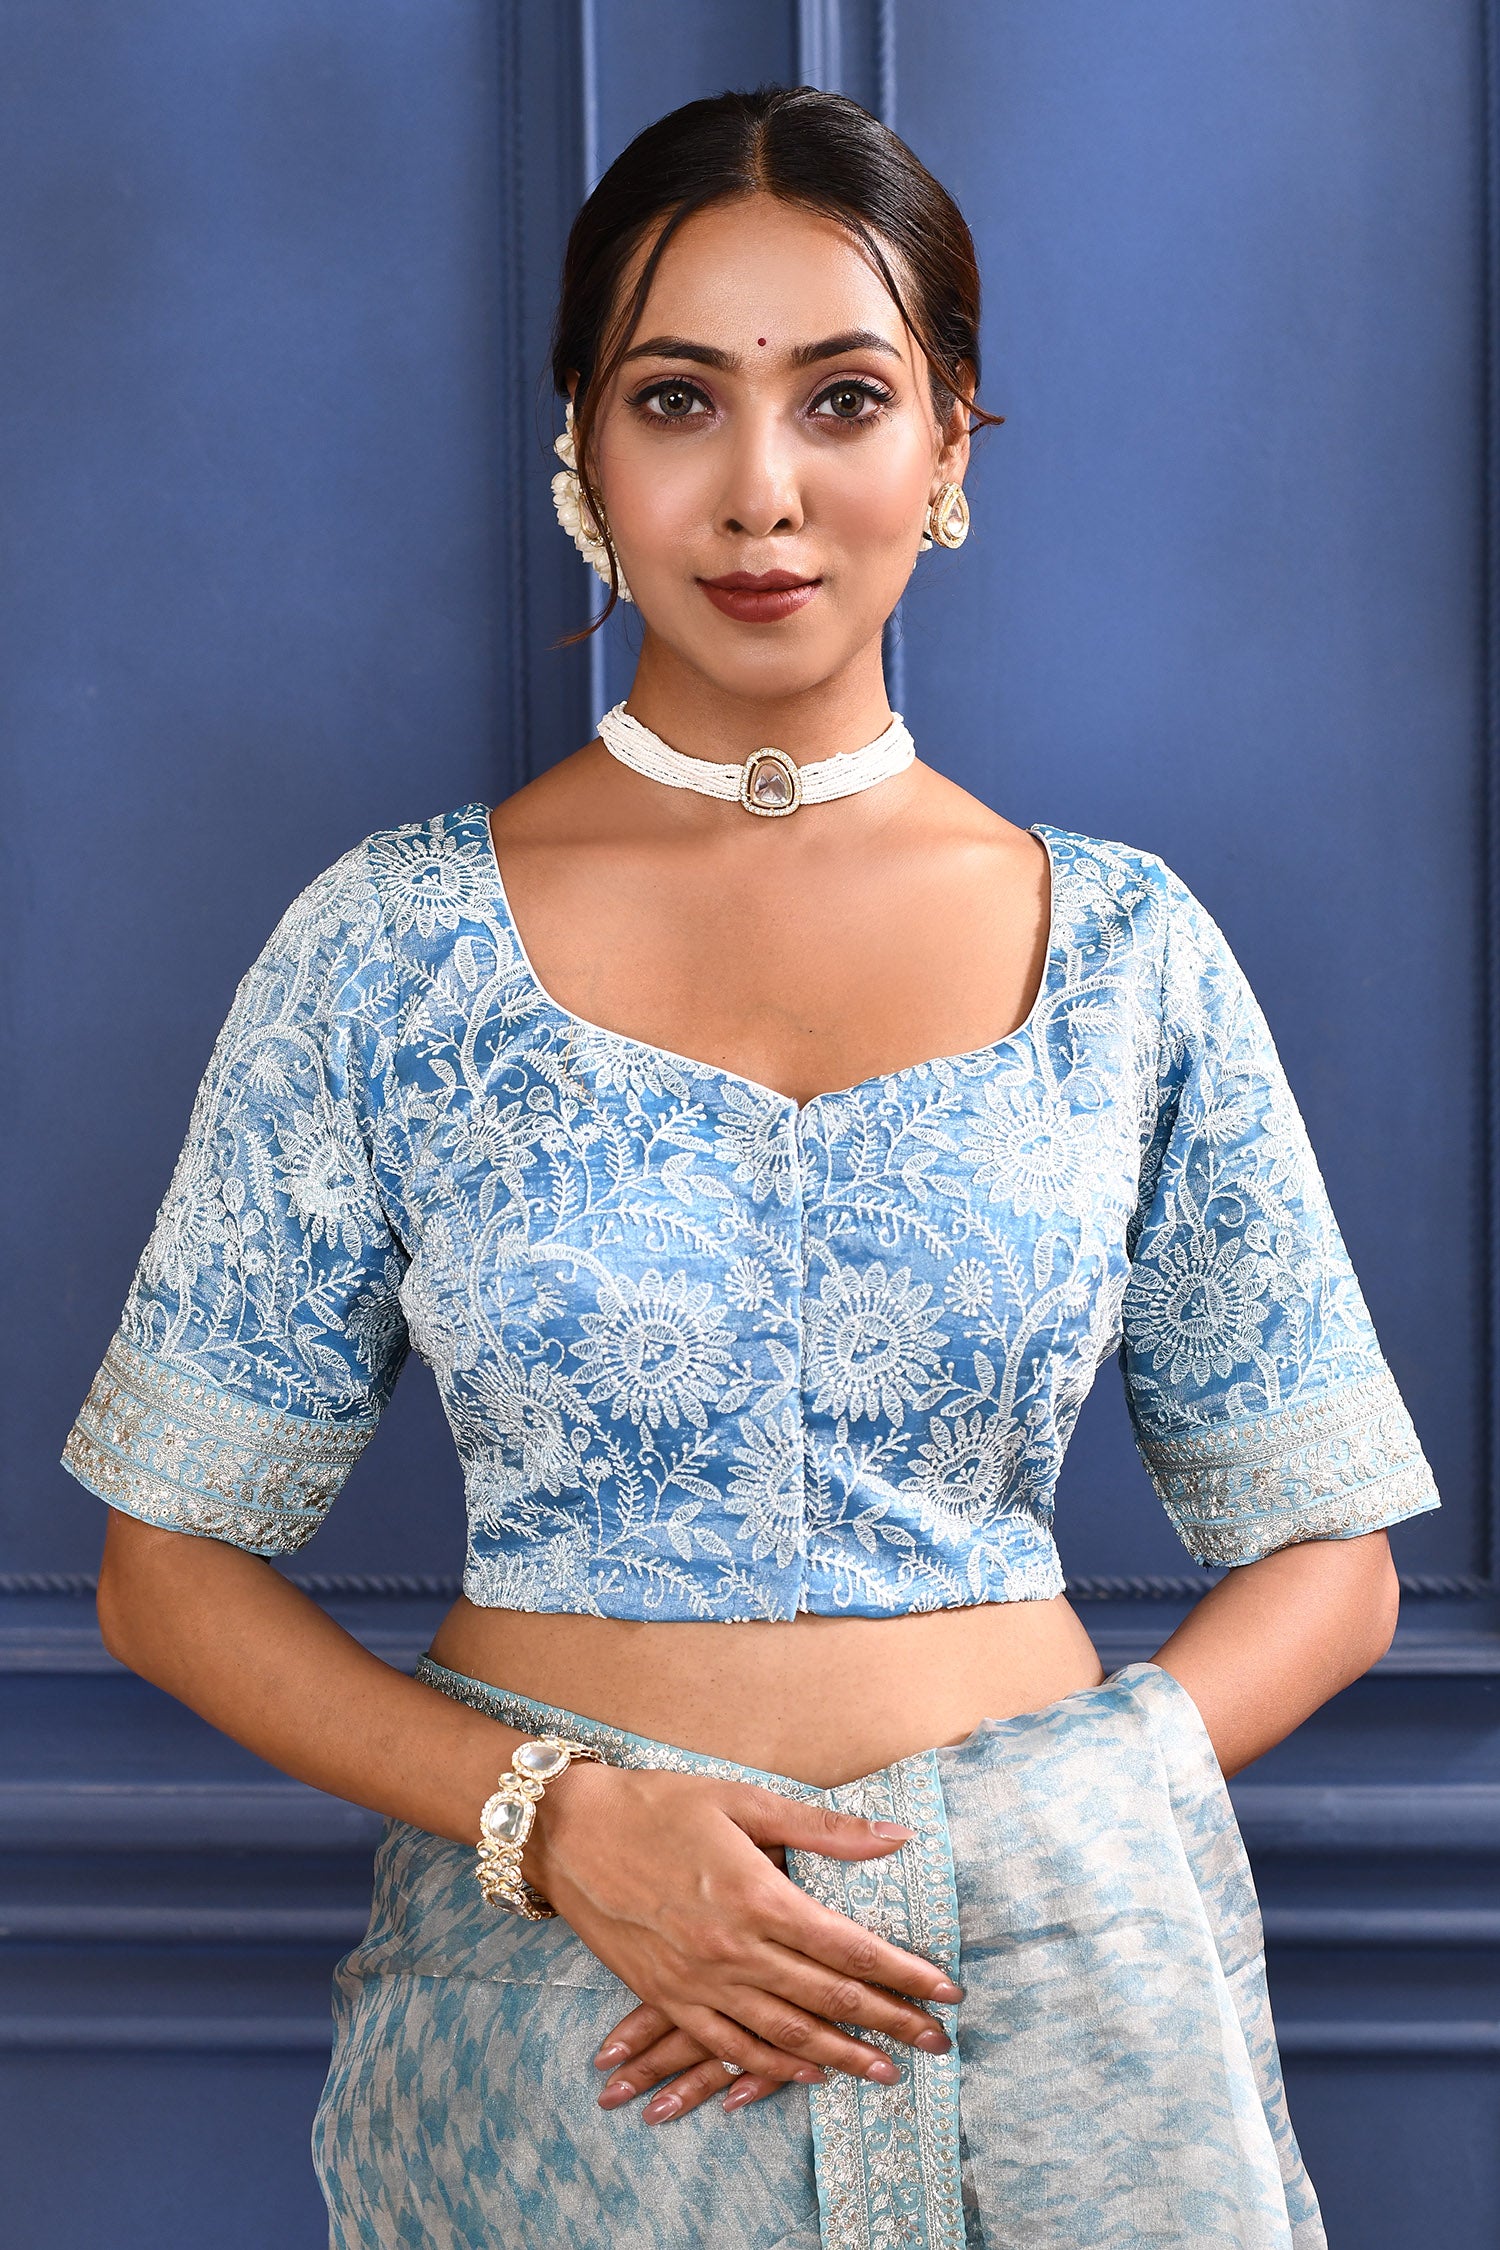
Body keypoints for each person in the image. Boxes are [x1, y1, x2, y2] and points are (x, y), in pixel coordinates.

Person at [63, 85, 1439, 2250]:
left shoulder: (1127, 954)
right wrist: (556, 1822)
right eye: (679, 398)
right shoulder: (389, 951)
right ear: (582, 449)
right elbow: (167, 1571)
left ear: (952, 440)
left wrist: (1038, 1820)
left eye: (846, 399)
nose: (761, 490)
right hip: (562, 2028)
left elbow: (1332, 1559)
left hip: (1063, 2004)